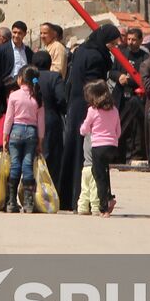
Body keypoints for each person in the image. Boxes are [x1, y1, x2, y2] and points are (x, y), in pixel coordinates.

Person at [58, 24, 120, 210]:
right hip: (89, 107)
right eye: (112, 44)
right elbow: (94, 86)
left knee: (74, 149)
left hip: (76, 104)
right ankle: (90, 199)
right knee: (89, 154)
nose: (113, 48)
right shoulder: (96, 56)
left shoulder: (82, 50)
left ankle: (69, 197)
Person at [2, 66, 44, 213]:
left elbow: (9, 119)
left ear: (21, 79)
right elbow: (41, 122)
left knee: (15, 165)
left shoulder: (14, 95)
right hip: (31, 133)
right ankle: (28, 202)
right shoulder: (37, 97)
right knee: (27, 166)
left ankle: (11, 201)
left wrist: (5, 136)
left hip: (15, 132)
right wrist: (40, 141)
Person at [79, 79, 122, 217]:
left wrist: (83, 131)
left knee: (99, 176)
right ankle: (109, 197)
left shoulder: (92, 110)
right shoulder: (114, 110)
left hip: (98, 146)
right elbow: (118, 131)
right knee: (104, 171)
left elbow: (85, 127)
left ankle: (104, 207)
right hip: (112, 146)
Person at [28, 50, 66, 184]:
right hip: (50, 119)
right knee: (51, 158)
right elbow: (61, 98)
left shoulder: (29, 77)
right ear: (50, 63)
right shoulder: (54, 77)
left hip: (30, 120)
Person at [115, 27, 148, 161]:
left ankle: (136, 154)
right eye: (128, 39)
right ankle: (119, 155)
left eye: (134, 39)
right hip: (121, 97)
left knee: (136, 127)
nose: (130, 42)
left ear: (140, 40)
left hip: (136, 98)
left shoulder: (145, 57)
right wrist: (119, 77)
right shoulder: (120, 54)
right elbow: (112, 71)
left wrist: (131, 80)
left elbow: (144, 78)